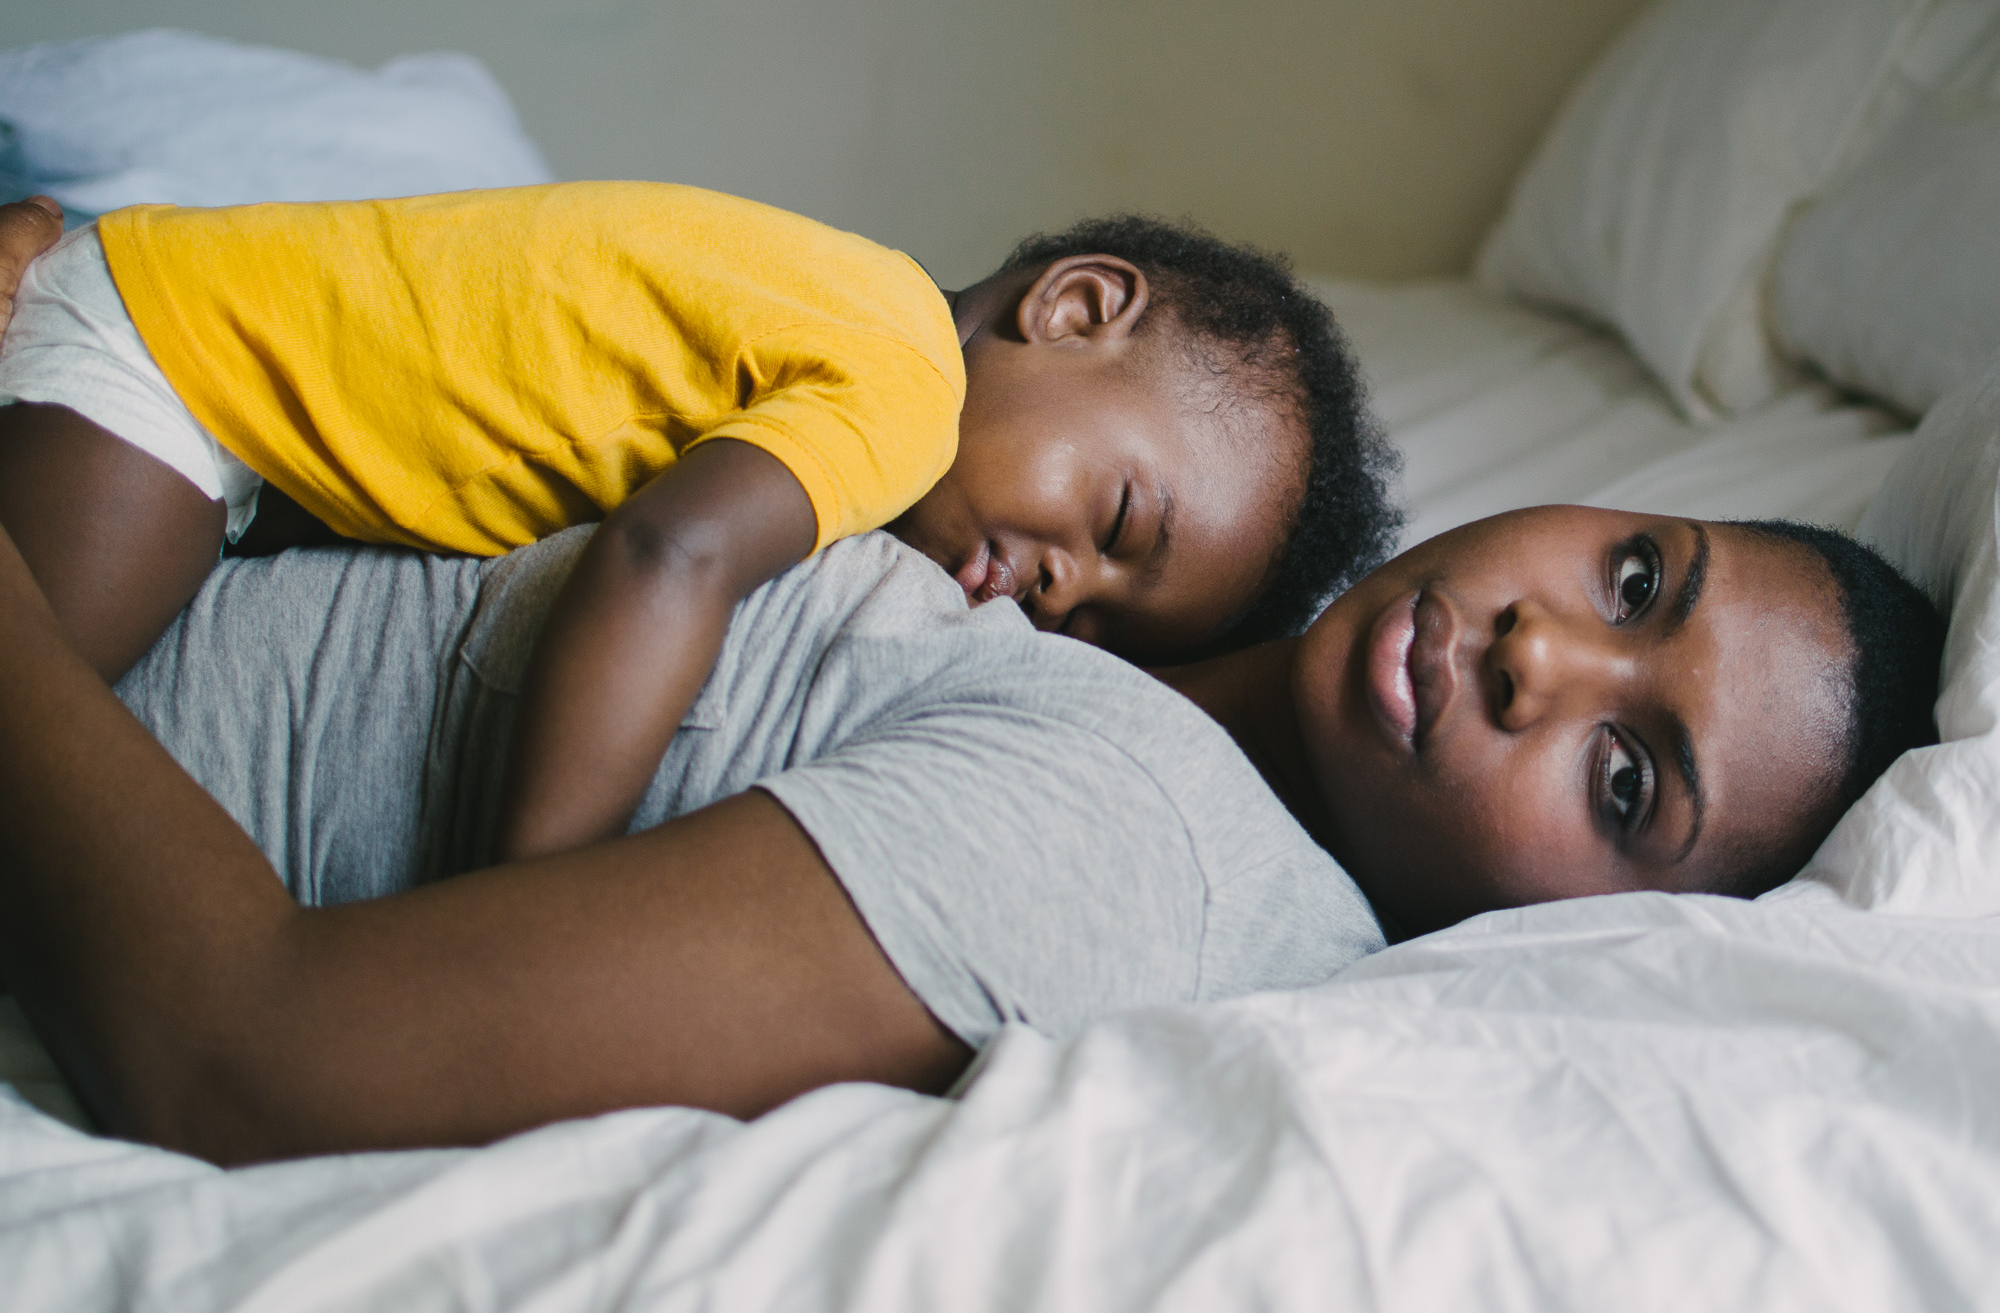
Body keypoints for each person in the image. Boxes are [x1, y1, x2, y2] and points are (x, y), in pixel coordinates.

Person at [0, 497, 1943, 1165]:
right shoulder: (1147, 595)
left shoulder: (1144, 844)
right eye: (1632, 573)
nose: (1542, 648)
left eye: (1627, 776)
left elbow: (245, 1049)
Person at [0, 189, 1397, 862]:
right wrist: (535, 883)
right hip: (166, 371)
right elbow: (672, 558)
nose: (1048, 589)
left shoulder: (849, 312)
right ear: (1076, 309)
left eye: (1094, 614)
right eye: (1111, 520)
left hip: (194, 359)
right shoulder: (902, 391)